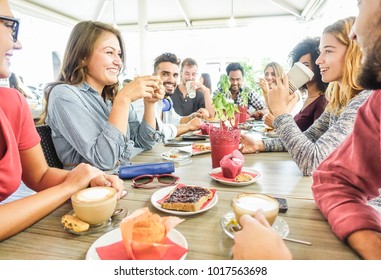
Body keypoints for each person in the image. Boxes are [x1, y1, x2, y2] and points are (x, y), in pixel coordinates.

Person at [0, 0, 123, 241]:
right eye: (9, 26)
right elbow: (107, 157)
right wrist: (70, 185)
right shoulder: (64, 94)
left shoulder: (13, 103)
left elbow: (41, 176)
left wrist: (88, 179)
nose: (18, 43)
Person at [240, 17, 371, 176]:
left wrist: (281, 113)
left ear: (354, 52)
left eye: (328, 51)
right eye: (320, 52)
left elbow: (312, 162)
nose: (319, 60)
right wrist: (259, 144)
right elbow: (307, 138)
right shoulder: (339, 102)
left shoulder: (365, 104)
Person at [41, 21, 165, 170]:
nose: (118, 62)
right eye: (109, 52)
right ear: (83, 57)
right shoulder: (64, 95)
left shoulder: (112, 97)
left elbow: (145, 142)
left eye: (119, 54)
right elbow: (104, 160)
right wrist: (123, 100)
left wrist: (150, 104)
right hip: (87, 189)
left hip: (120, 180)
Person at [311, 0, 381, 260]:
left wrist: (282, 114)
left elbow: (314, 159)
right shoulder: (375, 105)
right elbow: (334, 180)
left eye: (361, 4)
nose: (354, 32)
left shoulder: (363, 99)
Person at [152, 53, 206, 141]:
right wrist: (189, 126)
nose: (171, 80)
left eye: (175, 75)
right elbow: (157, 134)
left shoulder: (166, 99)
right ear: (154, 76)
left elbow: (175, 120)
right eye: (165, 74)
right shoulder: (145, 99)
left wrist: (192, 117)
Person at [289, 37, 328, 131]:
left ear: (318, 68)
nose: (300, 69)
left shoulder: (322, 102)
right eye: (298, 65)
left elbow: (313, 141)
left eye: (306, 65)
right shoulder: (308, 98)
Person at [259, 62, 303, 126]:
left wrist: (266, 93)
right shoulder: (273, 93)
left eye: (273, 74)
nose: (268, 78)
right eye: (266, 74)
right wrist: (266, 93)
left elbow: (279, 117)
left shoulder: (294, 93)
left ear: (280, 76)